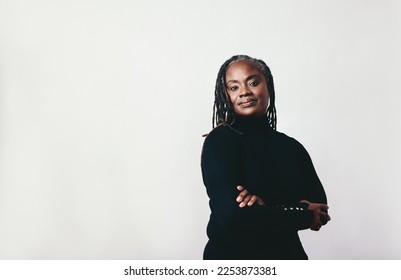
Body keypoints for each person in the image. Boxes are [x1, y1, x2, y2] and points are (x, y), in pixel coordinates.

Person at [200, 55, 331, 260]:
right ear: (224, 94)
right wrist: (300, 210)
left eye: (253, 82)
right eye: (234, 87)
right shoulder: (220, 142)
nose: (244, 92)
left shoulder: (291, 147)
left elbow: (320, 211)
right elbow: (232, 216)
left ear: (267, 86)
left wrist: (264, 208)